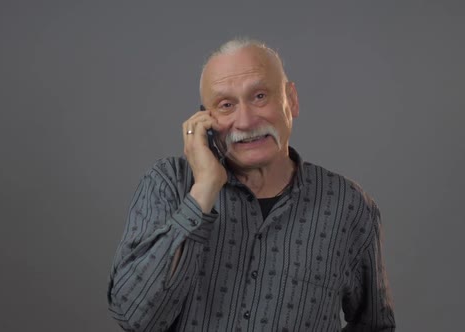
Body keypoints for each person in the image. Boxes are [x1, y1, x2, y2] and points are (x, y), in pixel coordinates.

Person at [108, 38, 395, 332]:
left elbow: (375, 326)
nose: (245, 121)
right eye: (226, 105)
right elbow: (135, 317)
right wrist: (203, 191)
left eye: (259, 96)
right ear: (204, 120)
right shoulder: (167, 184)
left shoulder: (348, 205)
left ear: (291, 100)